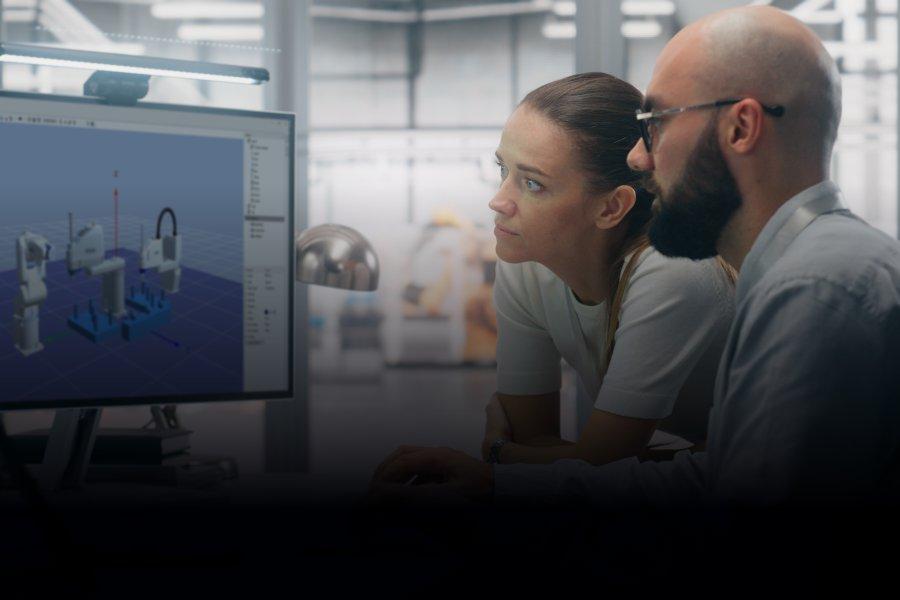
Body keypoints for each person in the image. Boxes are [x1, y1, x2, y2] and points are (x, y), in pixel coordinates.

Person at [371, 6, 900, 507]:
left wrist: (501, 464)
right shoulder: (810, 273)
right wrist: (498, 481)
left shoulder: (813, 290)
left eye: (657, 122)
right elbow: (713, 479)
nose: (639, 156)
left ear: (740, 128)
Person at [376, 72, 735, 485]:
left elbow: (597, 466)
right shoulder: (525, 262)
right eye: (502, 169)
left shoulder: (673, 270)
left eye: (532, 183)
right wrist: (532, 458)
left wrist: (500, 452)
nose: (498, 200)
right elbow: (541, 442)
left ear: (611, 207)